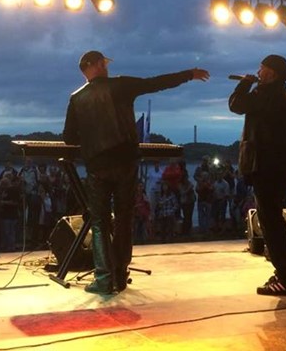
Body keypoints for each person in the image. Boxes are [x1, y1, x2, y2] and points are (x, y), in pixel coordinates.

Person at [63, 50, 209, 294]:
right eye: (104, 63)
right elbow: (155, 83)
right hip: (125, 161)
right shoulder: (121, 85)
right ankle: (120, 275)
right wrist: (188, 74)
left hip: (98, 165)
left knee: (99, 222)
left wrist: (90, 138)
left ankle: (104, 278)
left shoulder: (77, 98)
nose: (107, 67)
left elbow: (69, 138)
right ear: (98, 64)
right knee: (124, 218)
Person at [229, 54, 286, 297]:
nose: (258, 73)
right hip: (278, 165)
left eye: (261, 69)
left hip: (266, 165)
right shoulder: (285, 94)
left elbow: (236, 105)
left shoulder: (267, 94)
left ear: (272, 73)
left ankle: (285, 278)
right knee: (275, 219)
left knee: (269, 222)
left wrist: (244, 83)